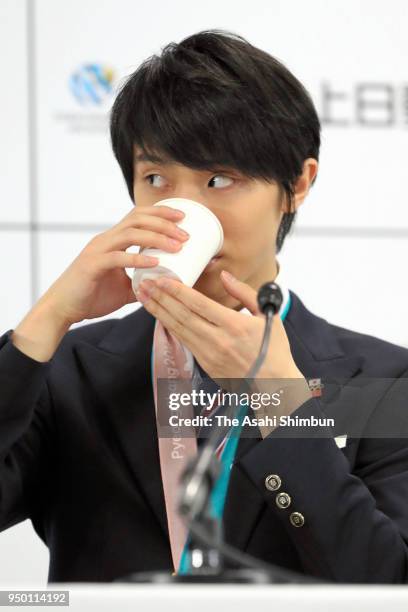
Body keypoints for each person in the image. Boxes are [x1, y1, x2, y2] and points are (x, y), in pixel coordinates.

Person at [1, 29, 408, 584]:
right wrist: (44, 322)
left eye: (219, 178)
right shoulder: (69, 370)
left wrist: (284, 406)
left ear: (297, 184)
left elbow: (388, 579)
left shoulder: (383, 380)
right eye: (156, 178)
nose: (183, 210)